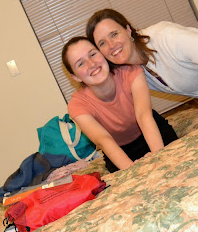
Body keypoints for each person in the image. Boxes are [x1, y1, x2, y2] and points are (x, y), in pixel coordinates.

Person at [62, 36, 178, 173]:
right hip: (120, 149)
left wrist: (159, 157)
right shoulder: (77, 105)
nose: (91, 64)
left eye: (93, 54)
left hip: (152, 131)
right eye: (81, 64)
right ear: (75, 76)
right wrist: (133, 172)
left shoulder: (131, 72)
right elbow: (103, 140)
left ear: (102, 54)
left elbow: (144, 116)